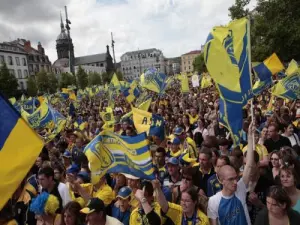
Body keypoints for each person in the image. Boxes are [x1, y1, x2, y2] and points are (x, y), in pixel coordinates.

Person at [207, 121, 256, 225]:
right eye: (230, 179)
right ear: (221, 180)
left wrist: (250, 137)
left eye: (235, 178)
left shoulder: (240, 188)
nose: (235, 182)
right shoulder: (213, 201)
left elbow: (250, 165)